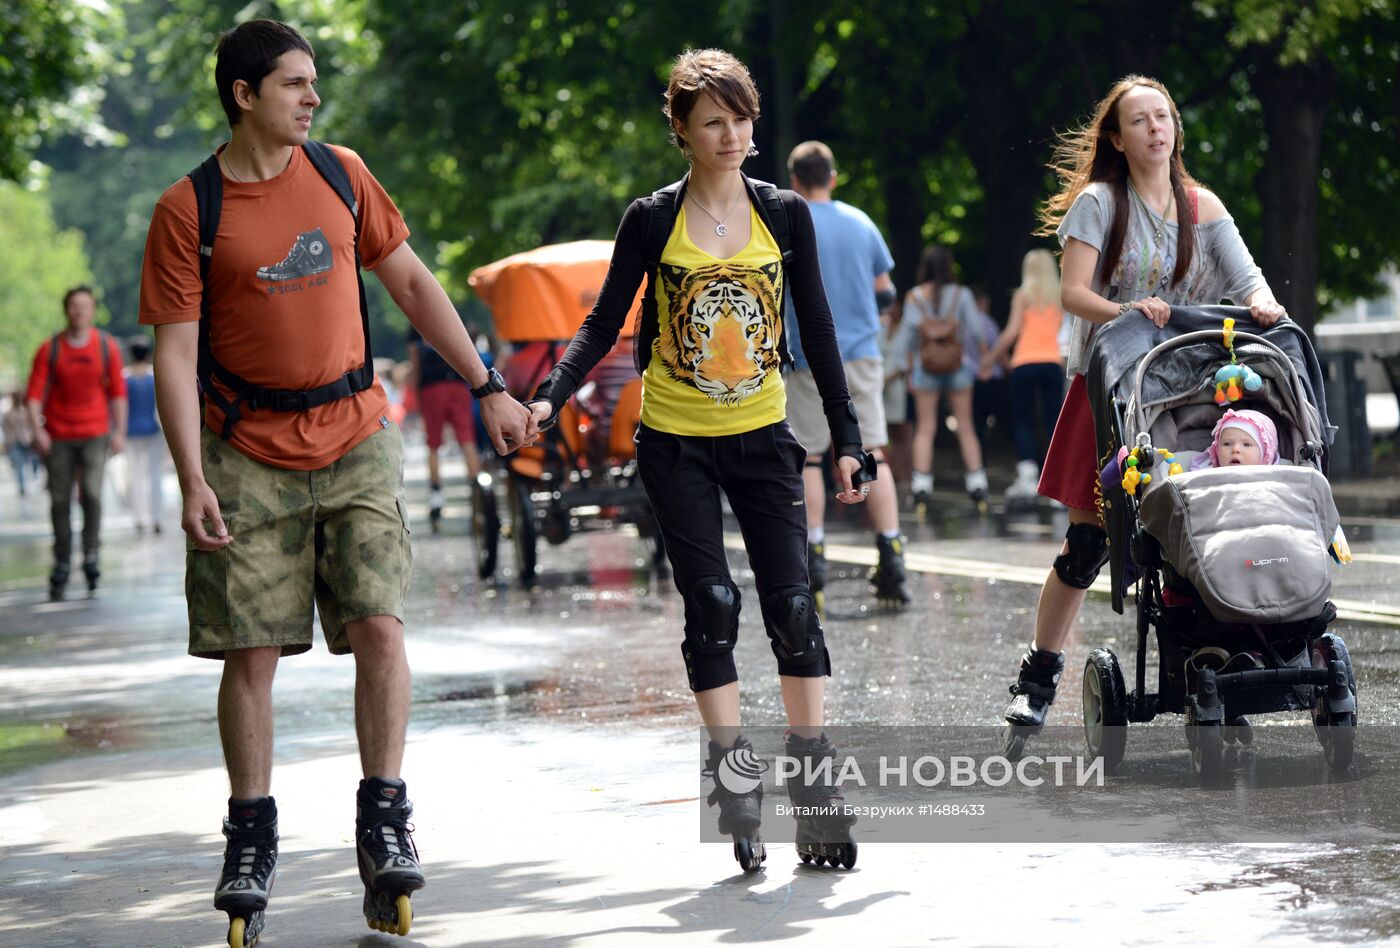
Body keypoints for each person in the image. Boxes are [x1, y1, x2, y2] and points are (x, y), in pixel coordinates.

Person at [137, 20, 534, 943]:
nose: (313, 97)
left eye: (313, 82)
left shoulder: (341, 174)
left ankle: (384, 816)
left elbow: (413, 285)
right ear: (244, 95)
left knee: (380, 626)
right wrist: (191, 477)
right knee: (251, 653)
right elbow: (175, 355)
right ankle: (249, 835)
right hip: (244, 451)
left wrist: (488, 386)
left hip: (355, 433)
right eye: (294, 84)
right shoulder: (188, 209)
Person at [526, 49, 868, 873]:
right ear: (680, 130)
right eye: (713, 122)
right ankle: (734, 785)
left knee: (794, 608)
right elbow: (604, 321)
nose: (731, 135)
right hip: (676, 443)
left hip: (765, 437)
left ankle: (813, 783)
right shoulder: (652, 219)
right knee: (712, 604)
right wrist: (550, 396)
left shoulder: (784, 214)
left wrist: (849, 438)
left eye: (740, 119)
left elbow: (818, 327)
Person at [1000, 75, 1287, 755]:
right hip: (1110, 388)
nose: (1156, 128)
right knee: (1087, 545)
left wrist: (1265, 304)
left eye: (1163, 116)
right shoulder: (1101, 203)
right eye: (1140, 120)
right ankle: (1039, 676)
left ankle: (1214, 663)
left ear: (1175, 128)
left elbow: (1247, 277)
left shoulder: (1201, 205)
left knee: (1206, 529)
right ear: (1117, 137)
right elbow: (1074, 292)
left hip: (1189, 388)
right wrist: (1127, 310)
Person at [782, 140, 908, 606]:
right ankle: (891, 552)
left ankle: (814, 553)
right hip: (860, 354)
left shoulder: (788, 222)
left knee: (811, 457)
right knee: (872, 450)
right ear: (832, 178)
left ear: (795, 181)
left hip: (807, 356)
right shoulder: (861, 223)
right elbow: (885, 292)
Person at [24, 286, 128, 600]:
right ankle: (62, 560)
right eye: (74, 305)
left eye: (85, 305)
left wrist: (119, 432)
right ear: (66, 309)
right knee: (59, 501)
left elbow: (118, 393)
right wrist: (38, 430)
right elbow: (33, 395)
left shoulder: (106, 347)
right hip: (59, 436)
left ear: (92, 310)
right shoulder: (50, 349)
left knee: (93, 495)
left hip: (95, 433)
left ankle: (91, 553)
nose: (79, 311)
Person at [889, 246, 989, 508]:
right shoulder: (962, 294)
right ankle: (977, 481)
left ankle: (922, 484)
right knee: (965, 425)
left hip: (926, 367)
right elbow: (976, 329)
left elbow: (906, 337)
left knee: (925, 427)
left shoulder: (914, 296)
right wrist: (985, 360)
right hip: (957, 366)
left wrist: (903, 368)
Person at [981, 249, 1068, 502]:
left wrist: (990, 358)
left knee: (1023, 421)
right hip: (1052, 362)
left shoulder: (1022, 296)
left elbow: (1011, 331)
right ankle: (1058, 482)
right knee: (1055, 422)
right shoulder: (1060, 297)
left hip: (1024, 362)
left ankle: (1028, 478)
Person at [406, 324, 479, 531]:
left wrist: (418, 395)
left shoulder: (415, 326)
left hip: (432, 388)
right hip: (458, 385)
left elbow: (416, 364)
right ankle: (477, 493)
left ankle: (436, 495)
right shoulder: (453, 317)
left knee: (433, 444)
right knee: (467, 440)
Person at [123, 336, 167, 534]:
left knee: (135, 475)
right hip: (153, 430)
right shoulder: (155, 376)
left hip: (131, 431)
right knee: (155, 475)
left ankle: (139, 517)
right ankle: (157, 517)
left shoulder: (124, 377)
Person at [1188, 408, 1278, 469]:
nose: (1235, 449)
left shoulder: (1276, 482)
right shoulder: (1205, 478)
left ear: (1265, 454)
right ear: (1217, 451)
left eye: (1246, 444)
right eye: (1227, 443)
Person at [3, 391, 40, 496]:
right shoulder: (8, 414)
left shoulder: (26, 412)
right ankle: (22, 486)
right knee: (19, 464)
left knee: (31, 460)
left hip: (26, 441)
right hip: (14, 441)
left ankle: (32, 478)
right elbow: (6, 429)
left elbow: (31, 426)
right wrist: (8, 442)